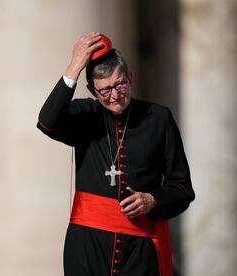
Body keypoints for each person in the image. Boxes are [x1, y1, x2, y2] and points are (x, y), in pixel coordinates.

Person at [37, 32, 195, 276]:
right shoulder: (86, 116)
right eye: (105, 90)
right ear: (92, 90)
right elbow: (47, 121)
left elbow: (183, 188)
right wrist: (76, 65)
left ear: (130, 78)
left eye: (120, 84)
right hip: (88, 246)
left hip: (140, 249)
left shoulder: (159, 118)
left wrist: (152, 199)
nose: (114, 95)